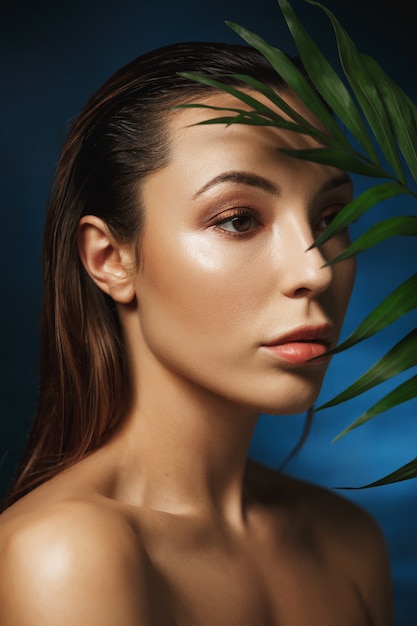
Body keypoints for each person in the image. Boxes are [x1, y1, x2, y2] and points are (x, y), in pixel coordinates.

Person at [0, 42, 392, 625]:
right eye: (238, 219)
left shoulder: (349, 541)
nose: (316, 269)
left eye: (330, 218)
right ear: (110, 259)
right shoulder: (65, 554)